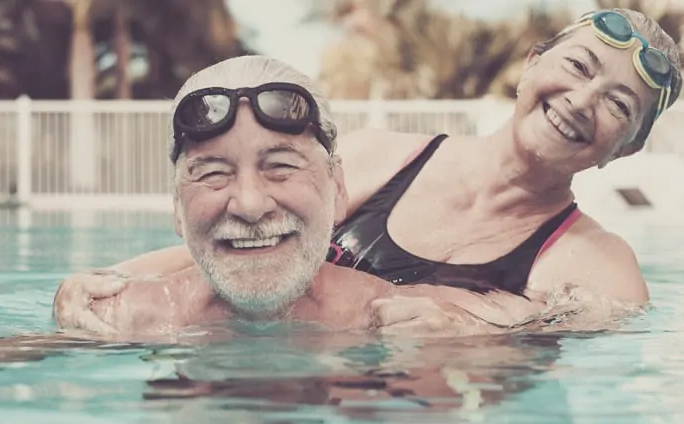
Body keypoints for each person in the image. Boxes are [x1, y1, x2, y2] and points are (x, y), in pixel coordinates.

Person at [53, 8, 680, 334]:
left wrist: (485, 324)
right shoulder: (386, 157)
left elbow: (582, 350)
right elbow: (248, 239)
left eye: (619, 105)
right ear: (530, 65)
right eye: (577, 67)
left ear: (623, 149)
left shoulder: (603, 265)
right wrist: (108, 279)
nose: (582, 100)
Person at [55, 55, 547, 337]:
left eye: (281, 167)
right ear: (177, 211)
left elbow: (560, 320)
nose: (249, 204)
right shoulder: (118, 320)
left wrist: (473, 338)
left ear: (336, 189)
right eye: (212, 173)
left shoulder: (398, 315)